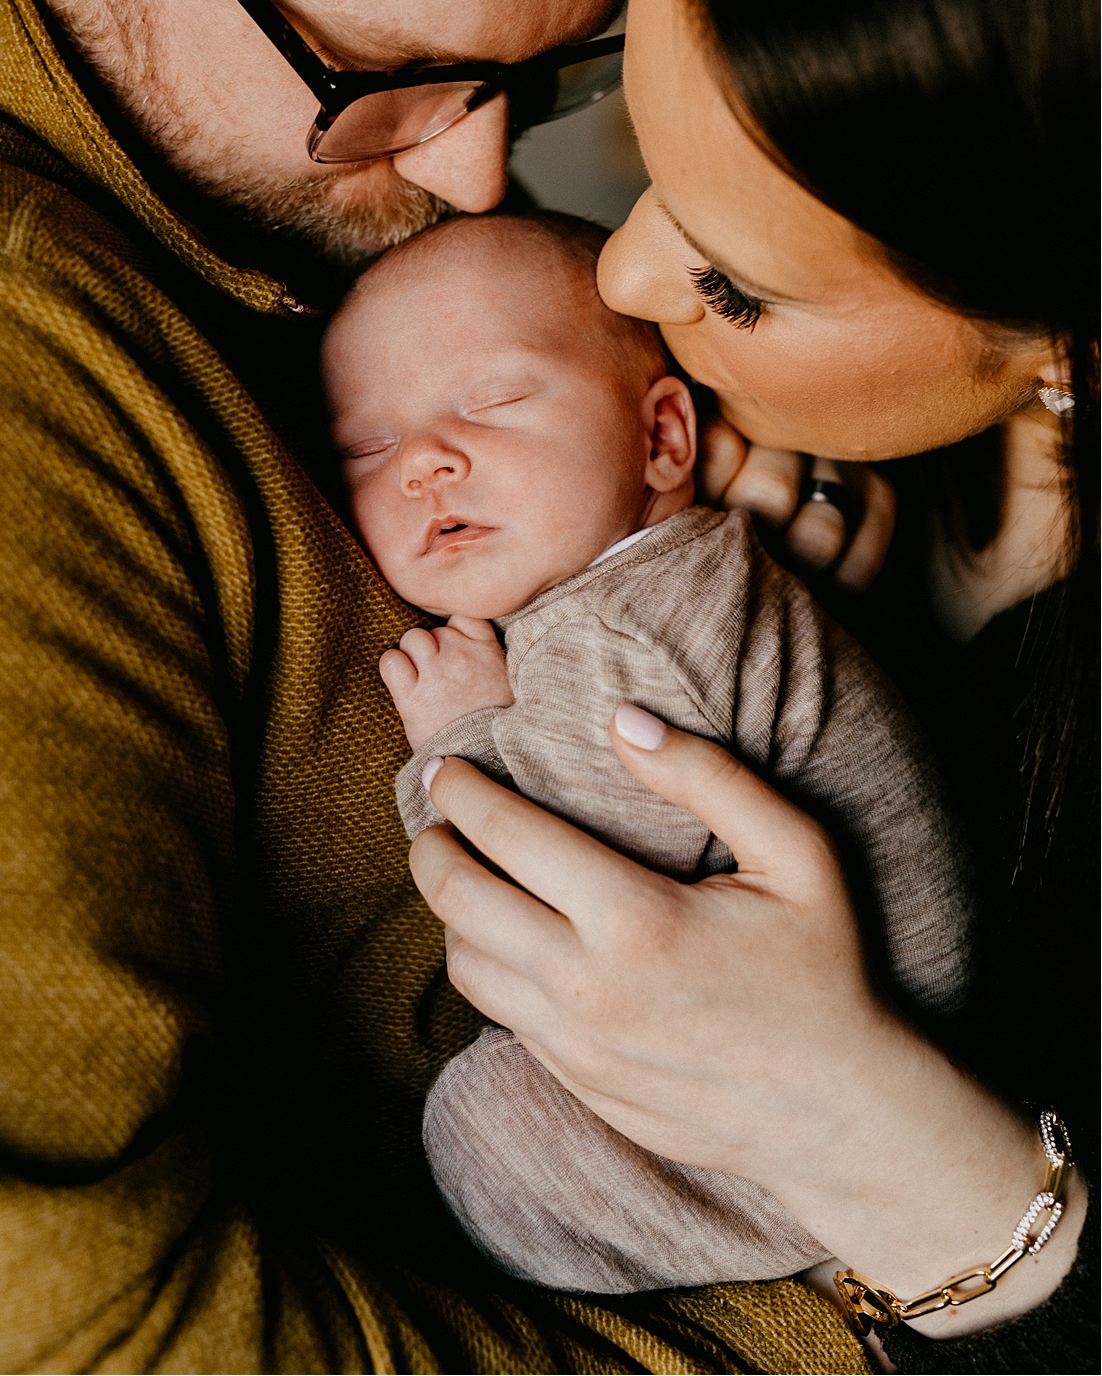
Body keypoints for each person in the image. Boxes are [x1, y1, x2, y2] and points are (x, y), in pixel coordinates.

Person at [0, 0, 873, 1373]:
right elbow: (44, 1333)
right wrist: (838, 1321)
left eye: (540, 69)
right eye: (379, 82)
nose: (490, 171)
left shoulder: (249, 198)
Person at [406, 0, 1098, 1375]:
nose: (623, 276)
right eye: (632, 144)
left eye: (736, 278)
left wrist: (861, 1116)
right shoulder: (759, 472)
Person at [321, 208, 971, 1292]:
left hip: (837, 1090)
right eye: (369, 447)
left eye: (492, 400)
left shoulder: (619, 630)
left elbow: (562, 926)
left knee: (479, 1125)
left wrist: (457, 741)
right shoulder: (671, 578)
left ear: (663, 437)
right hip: (851, 1038)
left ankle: (804, 1272)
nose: (426, 461)